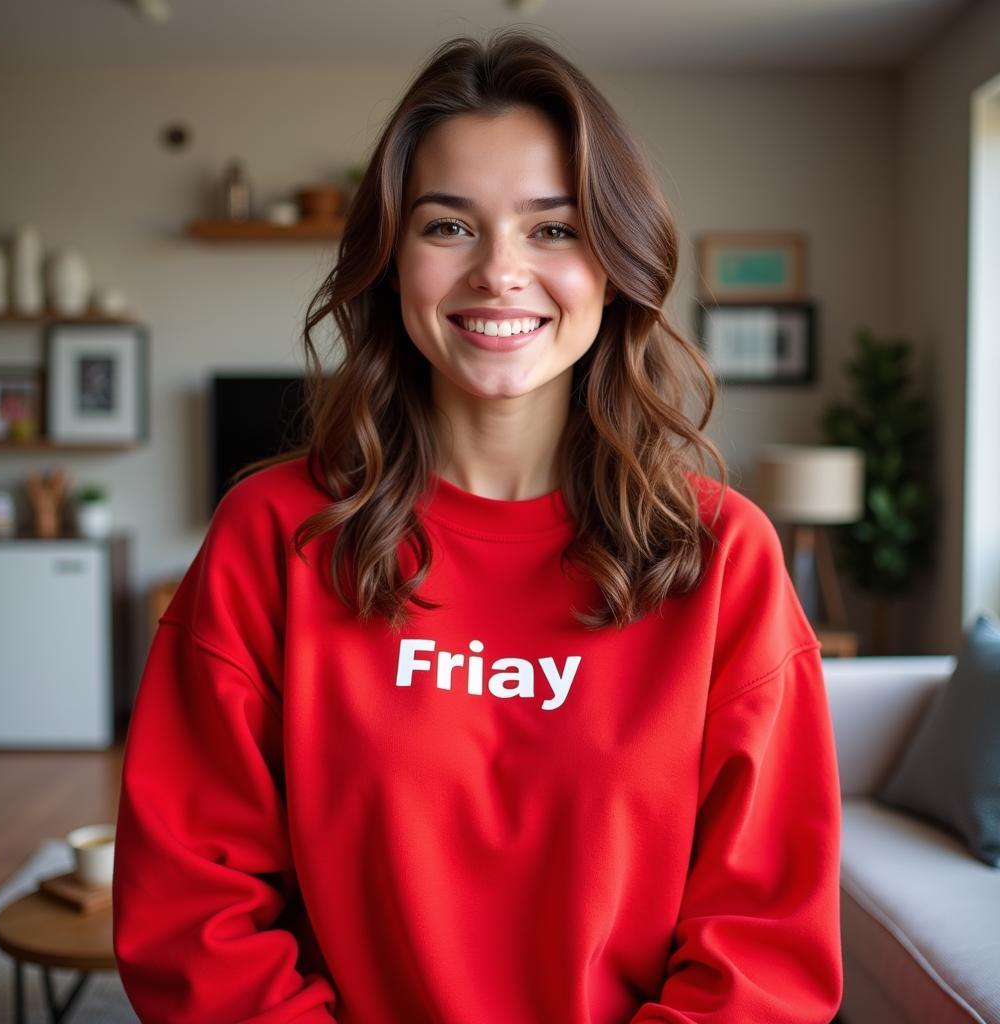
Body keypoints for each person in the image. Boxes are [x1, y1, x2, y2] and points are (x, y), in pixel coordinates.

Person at [113, 28, 844, 1024]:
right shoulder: (273, 534)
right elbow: (194, 912)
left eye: (552, 229)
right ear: (390, 257)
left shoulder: (725, 557)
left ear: (617, 259)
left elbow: (762, 950)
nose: (499, 271)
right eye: (448, 226)